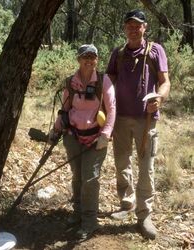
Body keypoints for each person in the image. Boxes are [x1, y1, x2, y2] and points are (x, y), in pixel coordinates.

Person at [106, 9, 170, 240]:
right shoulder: (118, 53)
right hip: (120, 119)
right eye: (129, 26)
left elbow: (164, 82)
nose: (133, 29)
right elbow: (109, 82)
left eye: (138, 25)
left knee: (146, 168)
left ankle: (144, 216)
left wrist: (159, 98)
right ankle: (127, 204)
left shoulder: (155, 51)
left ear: (145, 27)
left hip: (146, 120)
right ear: (125, 28)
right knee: (122, 164)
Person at [49, 44, 116, 240]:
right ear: (78, 59)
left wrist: (106, 134)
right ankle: (77, 213)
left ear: (97, 59)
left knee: (90, 179)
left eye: (93, 57)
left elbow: (112, 110)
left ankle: (90, 221)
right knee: (77, 177)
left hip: (96, 139)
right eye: (85, 56)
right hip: (73, 137)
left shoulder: (104, 81)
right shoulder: (71, 82)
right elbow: (65, 109)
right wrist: (56, 129)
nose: (89, 60)